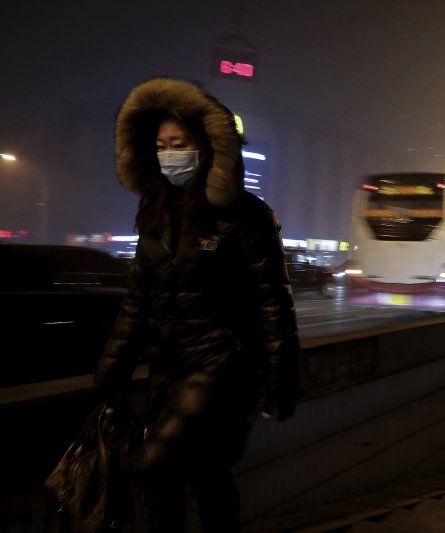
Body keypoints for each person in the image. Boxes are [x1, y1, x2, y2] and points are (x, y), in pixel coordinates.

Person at [94, 77, 302, 532]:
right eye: (162, 144)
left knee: (150, 468)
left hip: (223, 373)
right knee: (206, 475)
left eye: (180, 143)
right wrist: (112, 370)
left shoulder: (246, 216)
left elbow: (273, 304)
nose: (170, 153)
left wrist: (280, 382)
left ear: (206, 146)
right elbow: (137, 301)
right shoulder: (154, 216)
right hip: (166, 373)